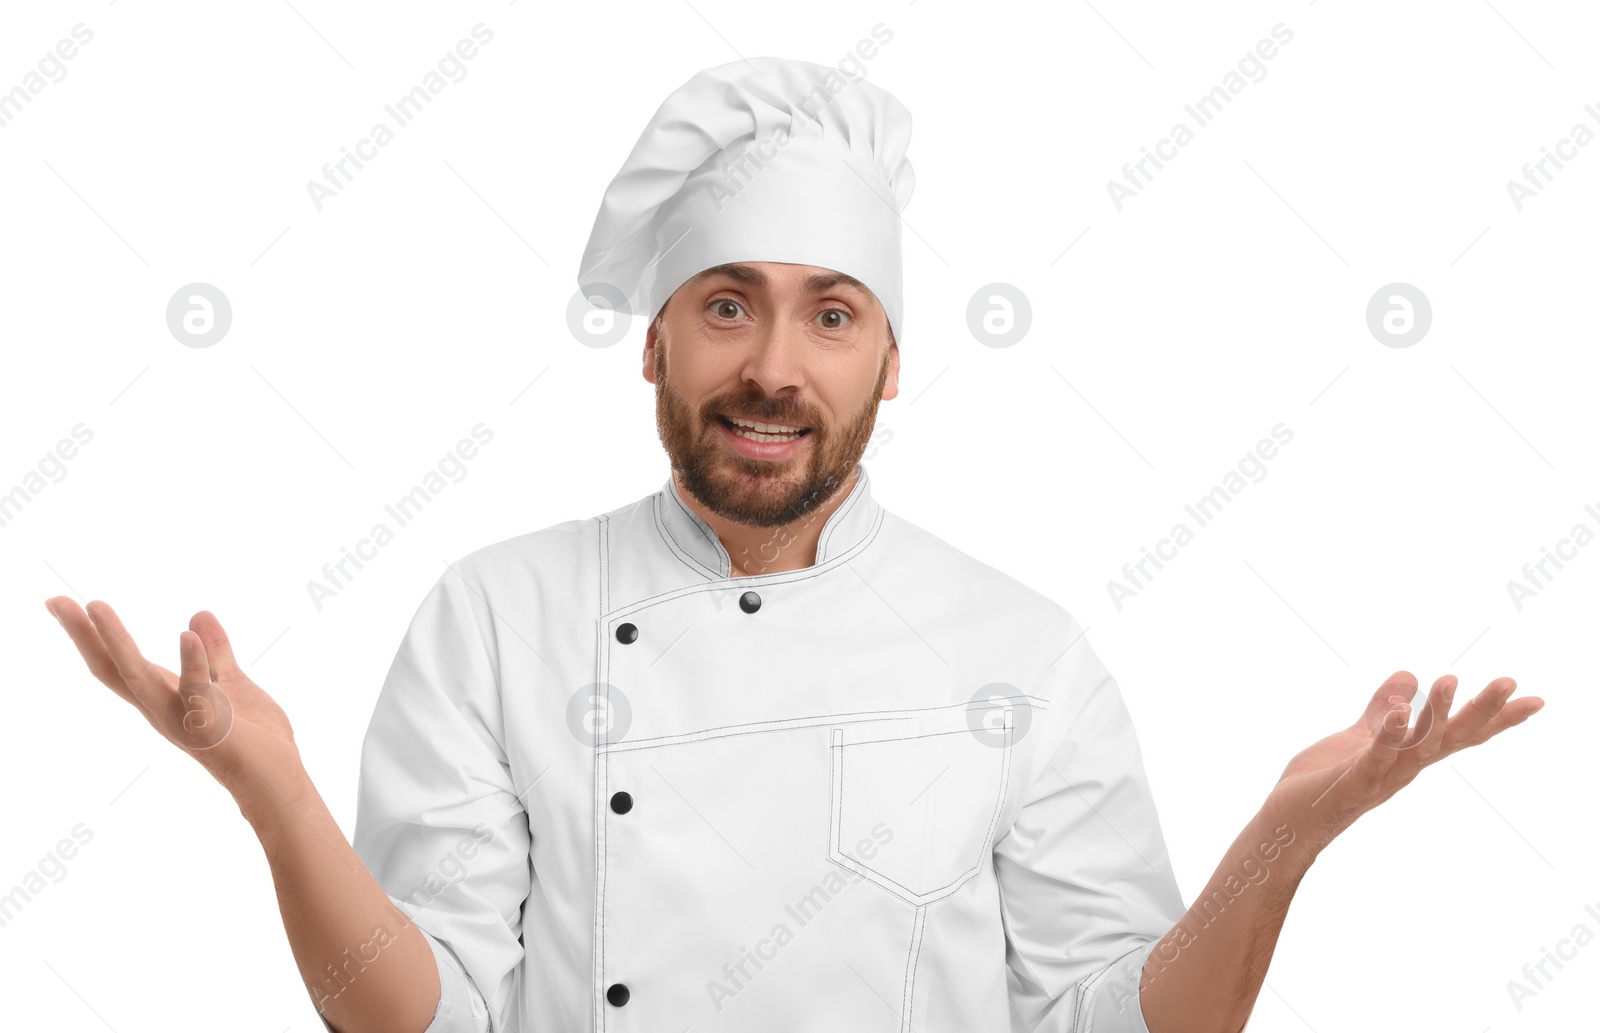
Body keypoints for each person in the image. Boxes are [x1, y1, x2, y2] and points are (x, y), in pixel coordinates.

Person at [45, 56, 1543, 1033]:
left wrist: (1283, 838)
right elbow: (421, 1016)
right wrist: (270, 787)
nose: (773, 365)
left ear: (893, 361)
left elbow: (1127, 1025)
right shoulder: (494, 617)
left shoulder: (1020, 652)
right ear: (655, 347)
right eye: (725, 302)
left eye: (832, 312)